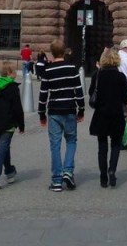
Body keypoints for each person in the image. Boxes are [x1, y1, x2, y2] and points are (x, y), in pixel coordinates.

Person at [37, 40, 85, 192]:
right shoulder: (72, 68)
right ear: (64, 52)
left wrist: (41, 114)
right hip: (70, 109)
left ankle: (56, 181)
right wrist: (81, 110)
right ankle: (68, 172)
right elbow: (79, 90)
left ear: (51, 52)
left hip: (54, 111)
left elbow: (43, 94)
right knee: (71, 141)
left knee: (55, 145)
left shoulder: (48, 71)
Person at [88, 48, 127, 187]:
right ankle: (112, 170)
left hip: (101, 114)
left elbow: (90, 93)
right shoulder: (121, 77)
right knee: (116, 144)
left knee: (102, 146)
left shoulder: (97, 75)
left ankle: (103, 176)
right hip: (116, 114)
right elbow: (125, 98)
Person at [0, 61, 25, 191]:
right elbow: (17, 108)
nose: (16, 73)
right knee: (2, 149)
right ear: (8, 73)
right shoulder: (12, 88)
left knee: (4, 147)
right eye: (14, 71)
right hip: (8, 123)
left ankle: (9, 171)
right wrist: (21, 124)